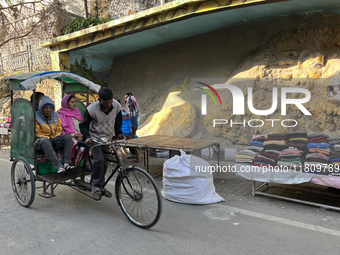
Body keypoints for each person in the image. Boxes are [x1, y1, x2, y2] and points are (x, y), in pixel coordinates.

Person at [80, 88, 124, 200]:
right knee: (99, 159)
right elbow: (84, 125)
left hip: (107, 138)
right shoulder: (92, 109)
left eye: (110, 102)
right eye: (105, 103)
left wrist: (118, 132)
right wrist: (87, 137)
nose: (108, 105)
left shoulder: (116, 105)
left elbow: (118, 119)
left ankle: (100, 184)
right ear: (99, 100)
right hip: (94, 138)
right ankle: (96, 185)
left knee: (105, 161)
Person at [34, 96, 74, 173]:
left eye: (50, 108)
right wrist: (51, 139)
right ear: (41, 108)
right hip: (41, 141)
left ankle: (66, 163)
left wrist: (58, 137)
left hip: (54, 139)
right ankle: (58, 166)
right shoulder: (36, 116)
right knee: (44, 140)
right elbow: (38, 132)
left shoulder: (56, 115)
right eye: (45, 108)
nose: (48, 110)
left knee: (68, 137)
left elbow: (59, 129)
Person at [57, 95, 84, 165]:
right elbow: (61, 130)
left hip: (80, 134)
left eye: (75, 102)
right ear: (66, 103)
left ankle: (83, 165)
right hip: (68, 136)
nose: (74, 103)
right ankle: (71, 165)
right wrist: (74, 135)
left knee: (88, 142)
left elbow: (82, 125)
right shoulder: (60, 114)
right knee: (74, 143)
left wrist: (81, 134)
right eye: (72, 102)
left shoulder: (77, 111)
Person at [124, 93, 139, 158]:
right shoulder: (134, 107)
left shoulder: (132, 106)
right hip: (132, 126)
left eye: (125, 98)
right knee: (131, 138)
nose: (125, 99)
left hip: (132, 126)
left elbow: (131, 115)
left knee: (131, 138)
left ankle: (134, 153)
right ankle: (133, 152)